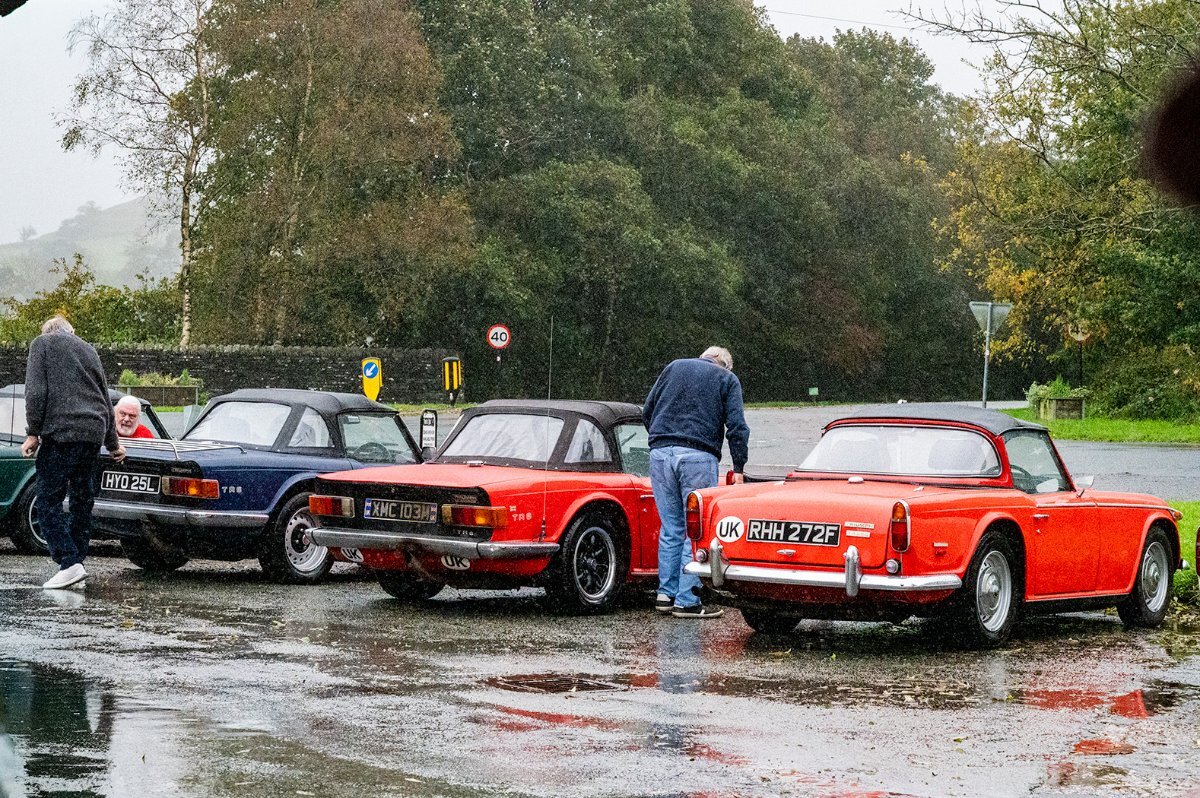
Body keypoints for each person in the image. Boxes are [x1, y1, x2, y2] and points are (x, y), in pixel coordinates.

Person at [643, 346, 749, 619]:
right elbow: (737, 427)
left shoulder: (674, 366)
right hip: (697, 455)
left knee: (671, 528)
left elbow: (648, 410)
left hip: (660, 454)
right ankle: (687, 600)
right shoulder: (727, 379)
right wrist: (739, 467)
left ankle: (665, 595)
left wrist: (662, 437)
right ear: (725, 364)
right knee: (696, 530)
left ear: (704, 357)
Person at [22, 315, 126, 590]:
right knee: (82, 500)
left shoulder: (42, 344)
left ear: (48, 332)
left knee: (48, 499)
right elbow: (105, 399)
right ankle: (77, 562)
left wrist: (33, 432)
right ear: (72, 332)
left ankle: (68, 563)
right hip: (92, 432)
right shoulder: (89, 349)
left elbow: (36, 392)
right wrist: (113, 444)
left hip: (62, 431)